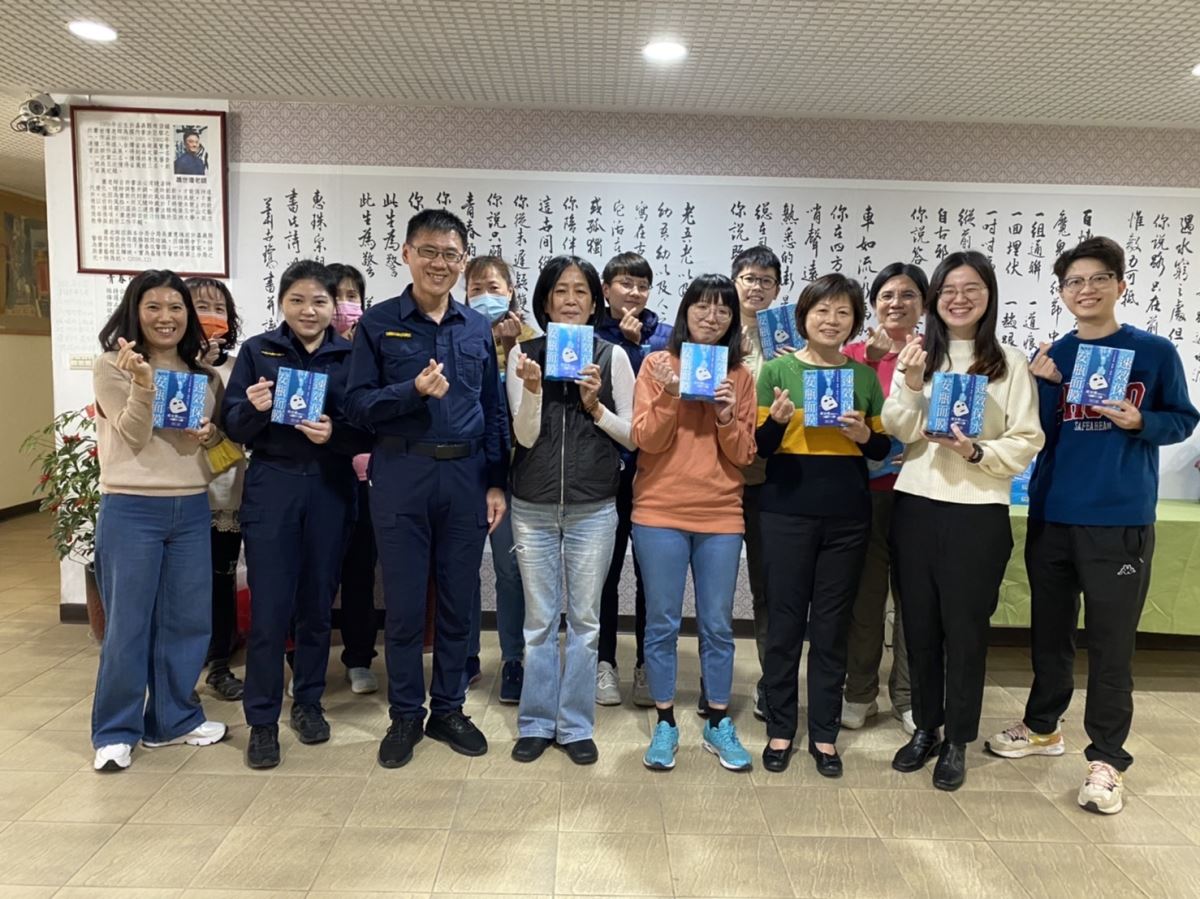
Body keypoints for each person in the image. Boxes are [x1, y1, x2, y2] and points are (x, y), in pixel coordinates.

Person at [985, 236, 1199, 815]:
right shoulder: (1053, 355)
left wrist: (1141, 420)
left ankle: (1107, 758)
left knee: (1111, 643)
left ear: (1120, 284)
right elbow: (1035, 437)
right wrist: (1041, 386)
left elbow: (1183, 419)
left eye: (1098, 278)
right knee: (1050, 632)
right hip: (1053, 514)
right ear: (1061, 292)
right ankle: (1042, 726)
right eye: (1074, 282)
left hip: (1119, 519)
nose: (1086, 289)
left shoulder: (1153, 352)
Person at [345, 208, 509, 769]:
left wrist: (496, 481)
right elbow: (356, 405)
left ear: (463, 262)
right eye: (430, 252)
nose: (440, 263)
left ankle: (449, 709)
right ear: (407, 254)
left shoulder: (476, 327)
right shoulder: (378, 323)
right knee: (406, 604)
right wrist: (410, 392)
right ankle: (405, 715)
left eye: (451, 255)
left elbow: (492, 410)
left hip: (465, 477)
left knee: (460, 600)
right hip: (401, 473)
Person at [883, 250, 1043, 791]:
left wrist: (976, 452)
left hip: (978, 511)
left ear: (988, 296)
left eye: (971, 288)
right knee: (920, 625)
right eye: (949, 289)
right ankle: (925, 728)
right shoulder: (917, 355)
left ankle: (957, 739)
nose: (959, 298)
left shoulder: (1009, 363)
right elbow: (898, 428)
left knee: (966, 630)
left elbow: (1027, 438)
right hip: (916, 503)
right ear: (935, 299)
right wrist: (909, 381)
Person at [222, 259, 370, 769]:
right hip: (273, 483)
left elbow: (368, 428)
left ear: (334, 307)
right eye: (298, 300)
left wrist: (335, 436)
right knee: (269, 610)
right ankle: (262, 721)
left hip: (331, 485)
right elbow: (233, 427)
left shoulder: (351, 355)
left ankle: (307, 702)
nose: (309, 310)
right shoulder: (257, 351)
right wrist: (254, 408)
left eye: (320, 301)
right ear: (282, 302)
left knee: (316, 605)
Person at [91, 270, 228, 771]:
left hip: (190, 505)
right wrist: (144, 384)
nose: (166, 317)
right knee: (128, 625)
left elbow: (214, 443)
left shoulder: (204, 375)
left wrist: (210, 434)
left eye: (176, 307)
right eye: (154, 306)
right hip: (131, 505)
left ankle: (174, 720)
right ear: (135, 311)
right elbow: (132, 433)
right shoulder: (112, 366)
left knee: (186, 621)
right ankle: (115, 731)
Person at [756, 274, 892, 776]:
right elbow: (760, 448)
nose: (831, 321)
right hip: (785, 508)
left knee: (832, 627)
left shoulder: (862, 377)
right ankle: (780, 727)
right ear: (803, 317)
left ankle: (825, 734)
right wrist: (776, 423)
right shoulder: (776, 369)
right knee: (785, 622)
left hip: (847, 513)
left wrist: (863, 436)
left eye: (842, 312)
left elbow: (882, 447)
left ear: (854, 322)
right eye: (822, 310)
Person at [507, 255, 635, 765]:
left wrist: (594, 405)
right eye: (561, 290)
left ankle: (576, 725)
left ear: (594, 301)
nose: (570, 300)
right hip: (533, 506)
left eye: (581, 291)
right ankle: (537, 722)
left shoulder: (611, 355)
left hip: (593, 507)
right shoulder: (524, 354)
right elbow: (524, 437)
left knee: (585, 621)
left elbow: (634, 436)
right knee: (539, 622)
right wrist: (533, 390)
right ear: (545, 300)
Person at [632, 274, 757, 772]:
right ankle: (665, 722)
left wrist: (726, 414)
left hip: (721, 513)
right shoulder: (657, 365)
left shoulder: (739, 377)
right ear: (685, 312)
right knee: (662, 622)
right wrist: (670, 394)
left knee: (718, 625)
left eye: (723, 309)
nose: (712, 316)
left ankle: (717, 721)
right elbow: (646, 440)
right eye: (702, 306)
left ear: (732, 319)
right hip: (659, 510)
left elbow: (744, 454)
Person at [840, 262, 929, 735]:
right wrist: (869, 362)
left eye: (908, 294)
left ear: (924, 304)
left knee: (914, 601)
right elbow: (836, 414)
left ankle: (909, 696)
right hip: (864, 495)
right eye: (887, 295)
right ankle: (859, 692)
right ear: (873, 304)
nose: (897, 303)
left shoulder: (937, 355)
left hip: (921, 494)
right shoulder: (851, 354)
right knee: (865, 600)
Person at [593, 252, 671, 706]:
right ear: (606, 289)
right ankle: (604, 662)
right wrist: (623, 346)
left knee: (650, 575)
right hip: (605, 471)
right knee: (604, 572)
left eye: (642, 285)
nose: (635, 292)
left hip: (655, 472)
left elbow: (666, 396)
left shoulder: (666, 336)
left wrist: (639, 347)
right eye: (625, 283)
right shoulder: (588, 334)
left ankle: (646, 665)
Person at [465, 254, 536, 703]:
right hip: (464, 469)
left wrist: (512, 350)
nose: (485, 296)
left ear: (510, 291)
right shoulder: (456, 336)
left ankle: (513, 659)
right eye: (475, 289)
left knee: (510, 571)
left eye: (493, 288)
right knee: (461, 569)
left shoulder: (533, 340)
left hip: (515, 472)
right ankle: (464, 657)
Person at [730, 245, 787, 720]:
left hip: (771, 478)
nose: (756, 287)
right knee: (715, 587)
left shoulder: (789, 338)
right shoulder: (715, 332)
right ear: (735, 282)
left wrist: (792, 364)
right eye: (749, 278)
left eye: (766, 280)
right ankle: (714, 683)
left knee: (769, 587)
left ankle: (772, 684)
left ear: (777, 289)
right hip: (720, 477)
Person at [185, 277, 246, 702]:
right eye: (200, 306)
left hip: (225, 492)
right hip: (178, 492)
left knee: (220, 582)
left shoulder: (241, 364)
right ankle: (180, 674)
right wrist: (194, 366)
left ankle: (219, 666)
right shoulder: (164, 364)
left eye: (218, 308)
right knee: (181, 586)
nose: (210, 315)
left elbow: (241, 427)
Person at [328, 262, 379, 695]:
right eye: (336, 296)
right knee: (316, 574)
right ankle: (304, 661)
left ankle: (359, 658)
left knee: (361, 573)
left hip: (367, 480)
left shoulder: (372, 347)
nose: (344, 306)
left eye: (351, 296)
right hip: (322, 478)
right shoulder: (304, 354)